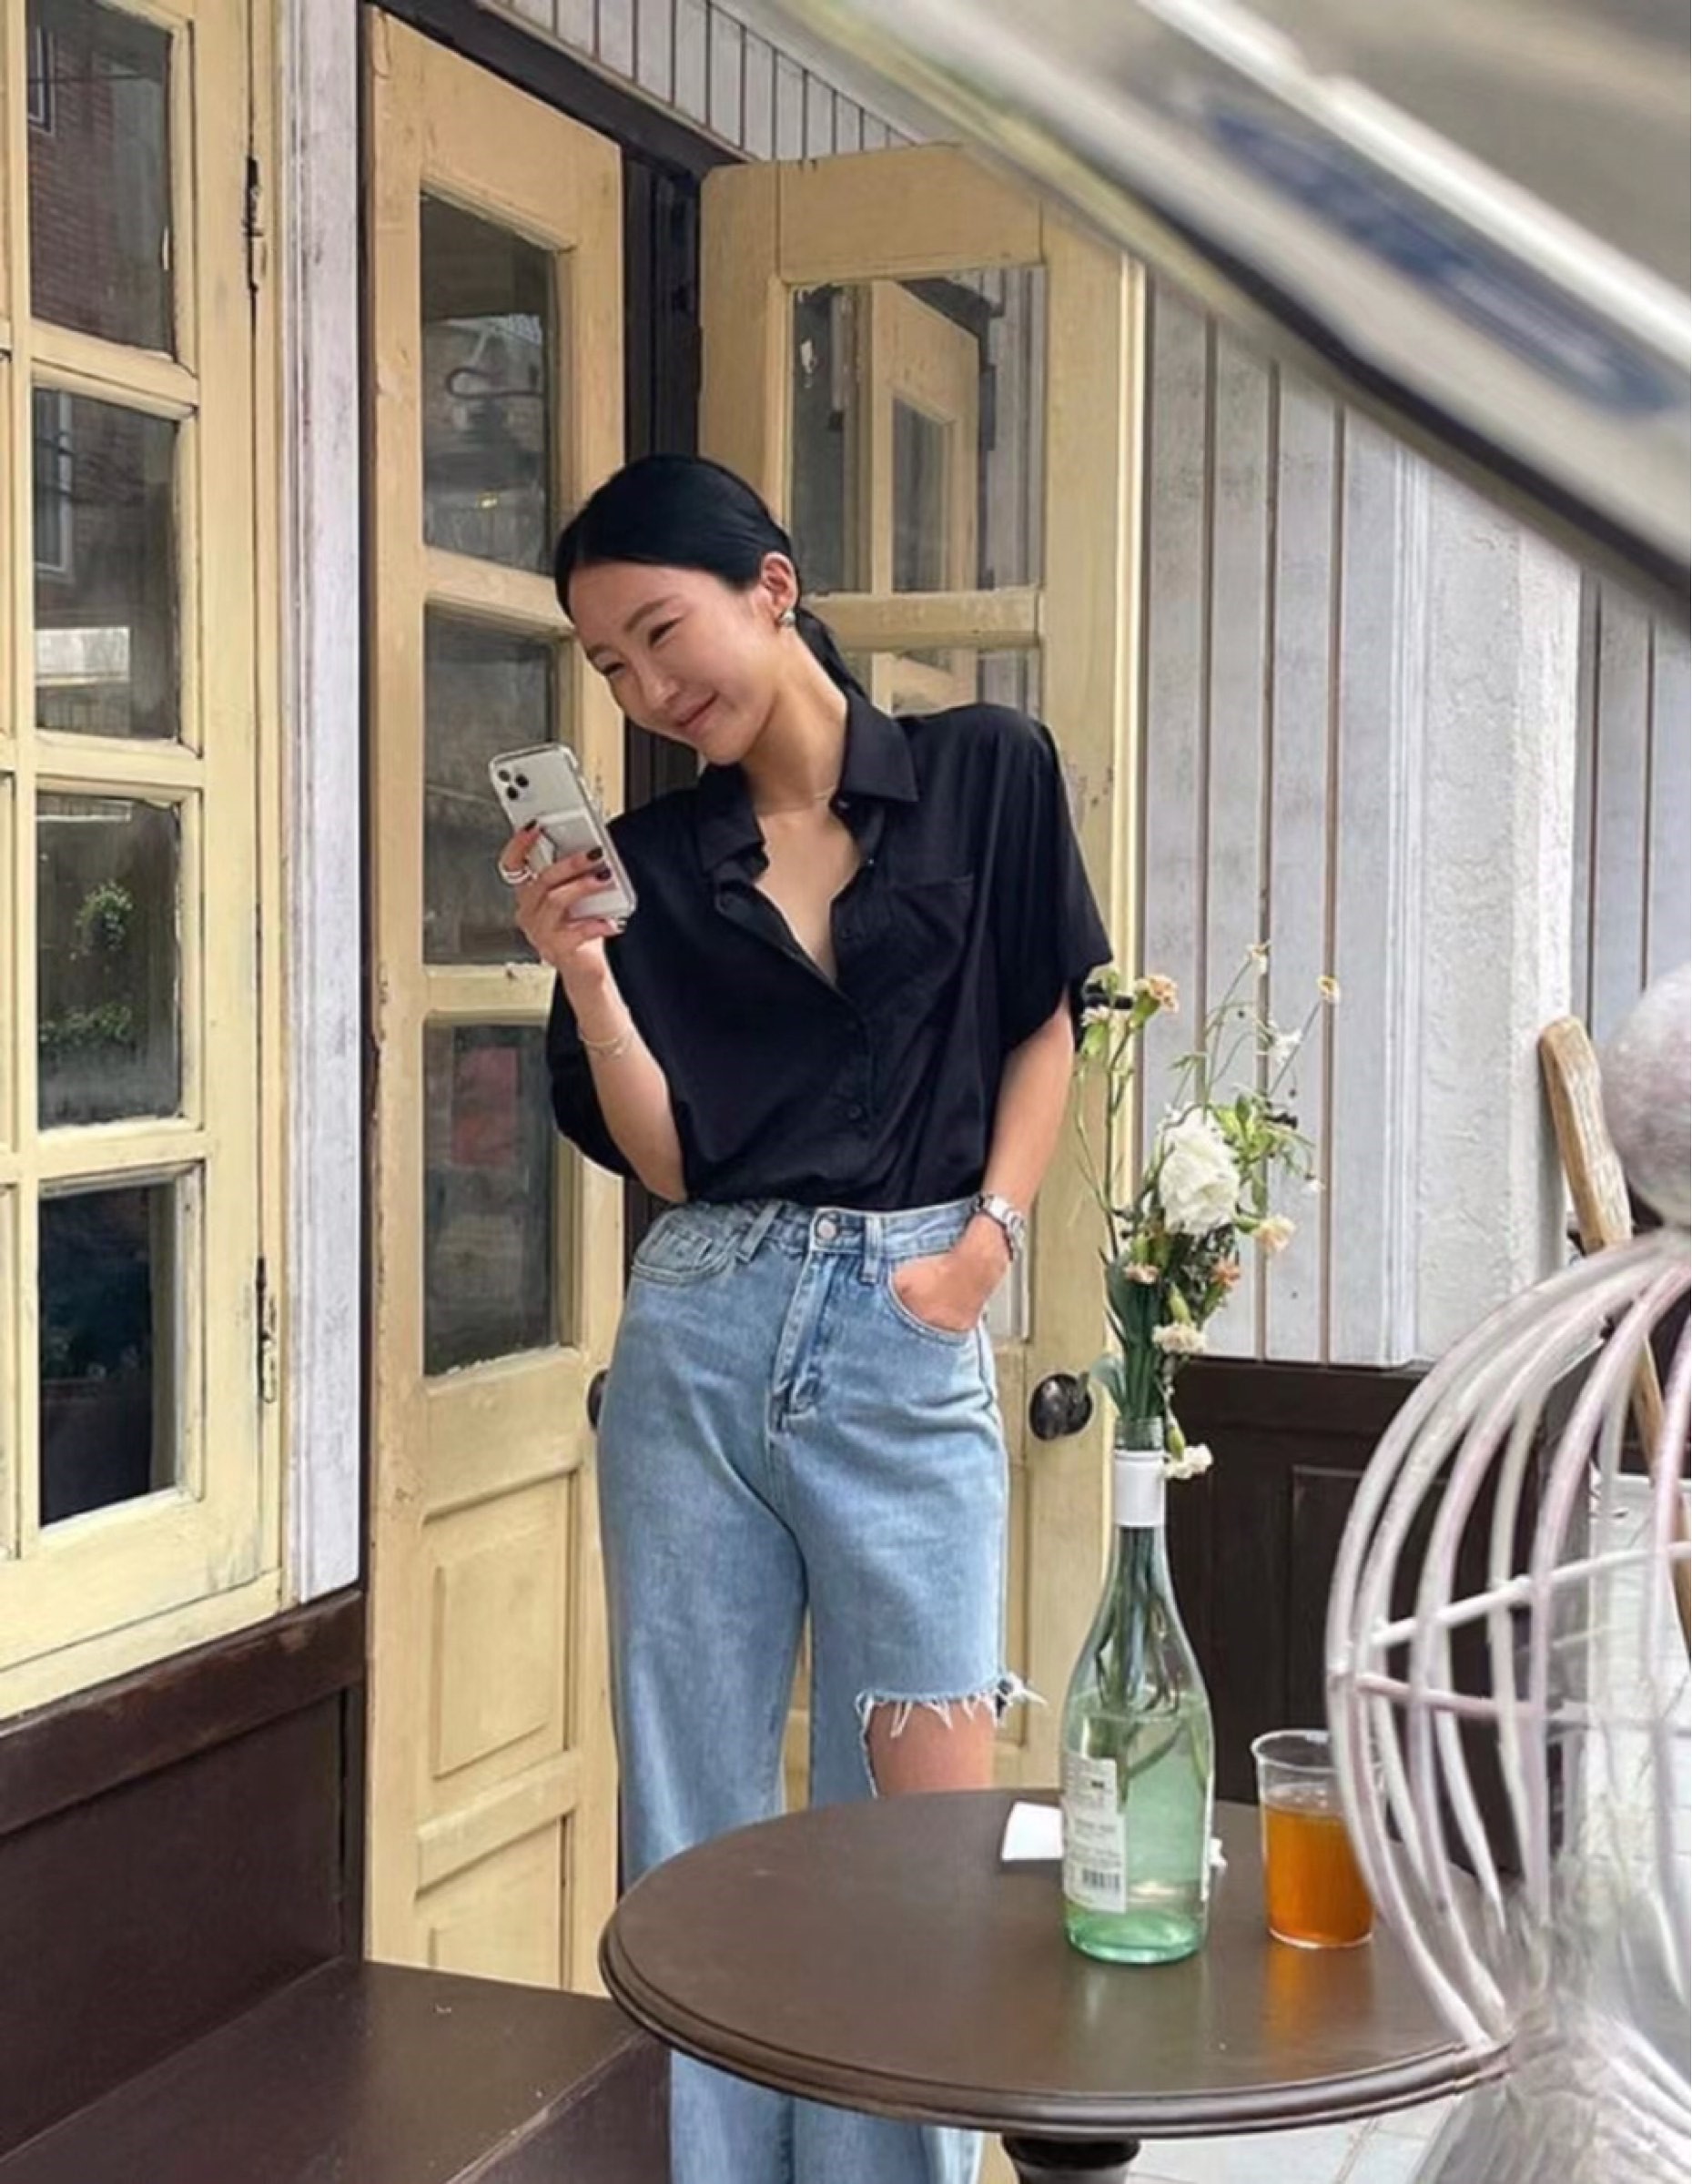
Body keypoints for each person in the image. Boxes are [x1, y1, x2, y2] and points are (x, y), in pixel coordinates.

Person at [505, 454, 1109, 2184]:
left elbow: (1045, 1018)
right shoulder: (646, 865)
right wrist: (588, 973)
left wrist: (986, 1248)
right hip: (703, 1327)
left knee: (917, 1849)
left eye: (660, 631)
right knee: (690, 1824)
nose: (645, 686)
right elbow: (670, 1160)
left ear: (771, 588)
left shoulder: (987, 768)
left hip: (909, 1322)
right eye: (609, 664)